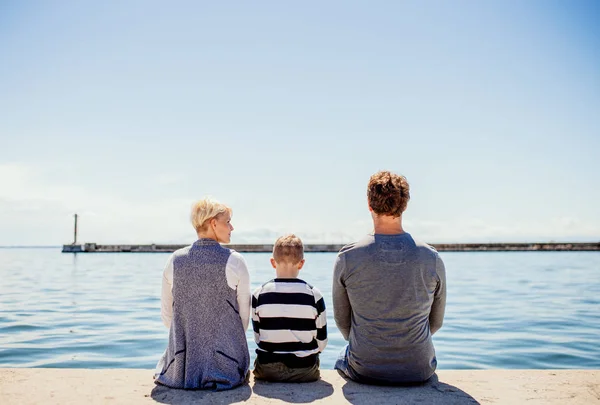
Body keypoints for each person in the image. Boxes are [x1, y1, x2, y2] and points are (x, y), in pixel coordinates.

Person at [333, 170, 446, 385]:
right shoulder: (431, 257)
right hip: (419, 369)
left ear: (369, 204)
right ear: (405, 205)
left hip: (365, 369)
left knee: (342, 355)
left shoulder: (348, 257)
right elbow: (436, 322)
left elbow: (342, 322)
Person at [155, 197, 251, 390]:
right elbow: (243, 320)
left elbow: (168, 319)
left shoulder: (174, 260)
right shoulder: (235, 261)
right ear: (213, 223)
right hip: (227, 366)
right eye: (228, 222)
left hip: (180, 367)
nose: (232, 228)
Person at [251, 234, 327, 382]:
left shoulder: (259, 294)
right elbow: (322, 342)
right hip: (304, 370)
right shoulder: (314, 295)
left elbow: (258, 338)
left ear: (273, 262)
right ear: (301, 263)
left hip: (267, 369)